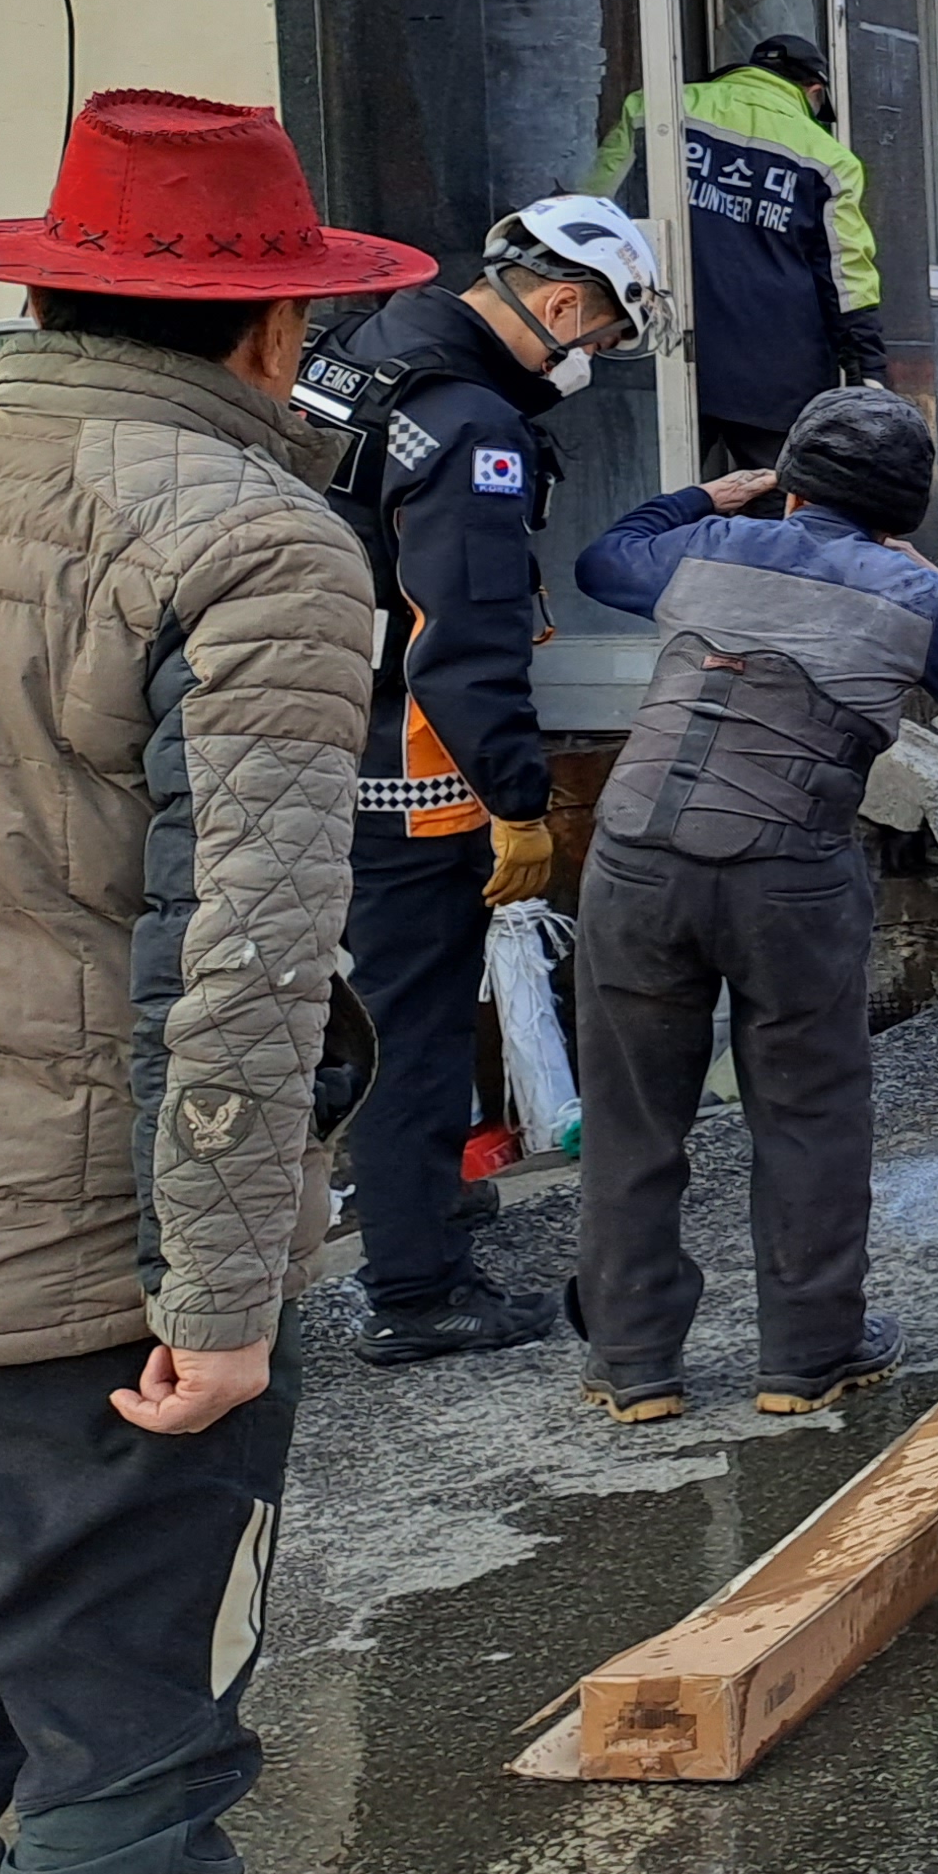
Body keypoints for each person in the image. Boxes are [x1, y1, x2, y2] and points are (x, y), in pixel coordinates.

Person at [0, 90, 429, 1874]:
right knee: (128, 1747)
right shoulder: (258, 544)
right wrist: (220, 1298)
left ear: (48, 296)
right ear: (273, 326)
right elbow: (242, 953)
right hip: (81, 1280)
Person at [566, 387, 938, 1422]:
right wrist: (933, 583)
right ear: (903, 509)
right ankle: (809, 1357)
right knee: (808, 1111)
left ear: (791, 484)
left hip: (634, 856)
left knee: (632, 1115)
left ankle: (633, 1364)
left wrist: (704, 495)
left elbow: (601, 560)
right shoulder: (911, 591)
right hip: (789, 871)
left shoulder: (706, 548)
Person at [308, 194, 675, 1367]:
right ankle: (416, 1290)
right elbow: (463, 639)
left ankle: (418, 1206)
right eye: (600, 335)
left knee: (360, 1011)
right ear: (560, 303)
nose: (590, 358)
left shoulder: (360, 357)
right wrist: (518, 801)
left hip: (304, 741)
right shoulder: (471, 428)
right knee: (414, 1026)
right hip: (410, 771)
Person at [589, 32, 886, 473]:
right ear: (814, 91)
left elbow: (593, 213)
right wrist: (867, 371)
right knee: (773, 495)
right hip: (778, 370)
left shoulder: (651, 109)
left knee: (656, 490)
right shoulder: (829, 159)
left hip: (660, 353)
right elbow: (847, 278)